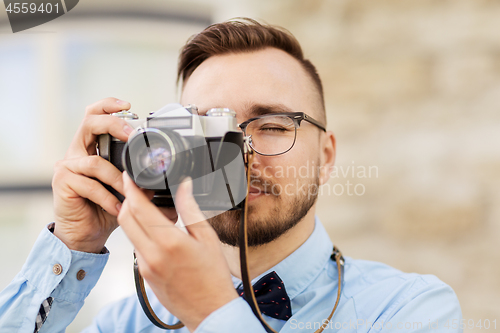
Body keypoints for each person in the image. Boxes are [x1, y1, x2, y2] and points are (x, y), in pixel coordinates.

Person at [0, 18, 462, 333]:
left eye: (274, 126)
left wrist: (213, 312)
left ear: (326, 156)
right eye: (208, 130)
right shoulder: (127, 323)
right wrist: (70, 247)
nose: (237, 156)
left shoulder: (409, 310)